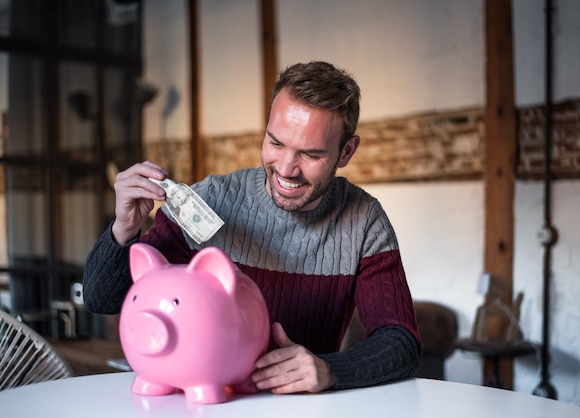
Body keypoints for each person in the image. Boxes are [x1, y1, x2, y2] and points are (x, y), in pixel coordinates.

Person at [83, 61, 422, 394]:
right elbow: (102, 299)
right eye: (276, 143)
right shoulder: (210, 199)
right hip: (206, 401)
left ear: (346, 152)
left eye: (311, 154)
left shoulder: (364, 221)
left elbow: (401, 341)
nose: (286, 169)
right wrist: (125, 227)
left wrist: (332, 369)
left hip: (298, 407)